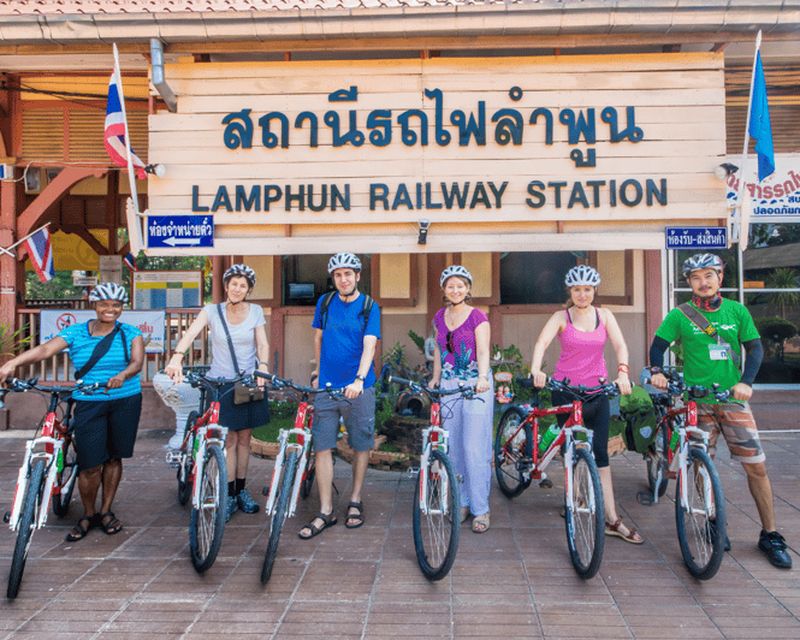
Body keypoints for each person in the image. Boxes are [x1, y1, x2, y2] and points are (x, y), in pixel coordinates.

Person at [649, 253, 791, 568]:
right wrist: (656, 370)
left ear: (720, 278)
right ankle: (714, 519)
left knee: (756, 467)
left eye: (708, 275)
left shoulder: (736, 311)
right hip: (696, 401)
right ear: (688, 283)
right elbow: (658, 345)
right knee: (701, 466)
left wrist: (747, 382)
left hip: (732, 399)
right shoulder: (680, 315)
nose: (703, 282)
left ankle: (770, 534)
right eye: (696, 277)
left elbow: (754, 348)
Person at [0, 282, 144, 541]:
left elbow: (136, 362)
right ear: (94, 305)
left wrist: (122, 375)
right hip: (88, 401)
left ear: (121, 308)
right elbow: (45, 350)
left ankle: (106, 511)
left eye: (116, 305)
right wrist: (13, 362)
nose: (110, 309)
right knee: (90, 464)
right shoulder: (76, 333)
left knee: (113, 458)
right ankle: (88, 514)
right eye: (104, 304)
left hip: (125, 399)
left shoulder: (131, 333)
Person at [530, 265, 642, 544]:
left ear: (594, 291)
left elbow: (620, 346)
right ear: (570, 292)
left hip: (598, 391)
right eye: (577, 290)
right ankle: (575, 498)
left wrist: (624, 372)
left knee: (600, 456)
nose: (582, 294)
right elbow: (542, 343)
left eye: (588, 290)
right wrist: (536, 370)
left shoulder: (604, 316)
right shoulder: (561, 316)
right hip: (566, 391)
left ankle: (612, 519)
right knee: (573, 450)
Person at [165, 264, 270, 522]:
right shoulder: (212, 311)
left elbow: (263, 343)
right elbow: (190, 334)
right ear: (226, 285)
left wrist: (263, 368)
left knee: (245, 438)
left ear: (249, 290)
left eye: (243, 285)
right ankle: (229, 493)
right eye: (234, 284)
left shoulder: (255, 311)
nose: (238, 288)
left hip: (247, 382)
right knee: (229, 441)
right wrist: (177, 357)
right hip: (221, 383)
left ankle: (240, 490)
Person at [299, 252, 381, 539]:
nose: (343, 279)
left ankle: (355, 499)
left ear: (358, 276)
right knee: (322, 446)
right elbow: (319, 338)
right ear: (333, 279)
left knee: (361, 444)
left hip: (359, 387)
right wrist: (319, 372)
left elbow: (369, 345)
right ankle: (325, 510)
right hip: (328, 387)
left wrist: (358, 379)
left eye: (348, 274)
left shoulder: (370, 306)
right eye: (338, 275)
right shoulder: (326, 302)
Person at [429, 265, 493, 533]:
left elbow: (483, 350)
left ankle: (481, 508)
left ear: (468, 289)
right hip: (450, 383)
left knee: (474, 447)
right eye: (451, 285)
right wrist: (435, 378)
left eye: (460, 285)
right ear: (444, 289)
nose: (456, 290)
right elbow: (438, 350)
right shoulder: (439, 317)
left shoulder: (478, 317)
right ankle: (462, 501)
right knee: (453, 446)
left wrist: (481, 378)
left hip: (475, 385)